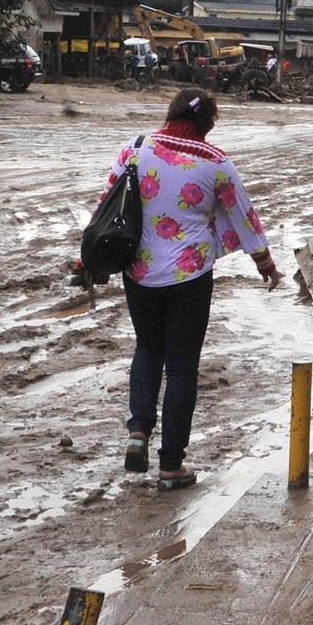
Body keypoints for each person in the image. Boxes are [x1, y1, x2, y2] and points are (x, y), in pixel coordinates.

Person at [102, 87, 278, 490]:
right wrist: (264, 263)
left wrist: (87, 261)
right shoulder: (216, 163)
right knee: (181, 366)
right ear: (208, 123)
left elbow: (108, 205)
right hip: (190, 276)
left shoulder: (135, 148)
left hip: (140, 272)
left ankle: (138, 432)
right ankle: (170, 467)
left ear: (171, 113)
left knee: (147, 348)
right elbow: (244, 216)